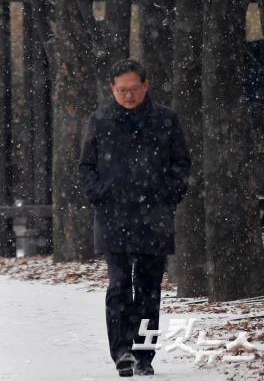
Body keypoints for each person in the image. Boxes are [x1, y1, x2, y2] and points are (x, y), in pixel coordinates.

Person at [79, 59, 191, 377]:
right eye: (121, 90)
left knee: (149, 289)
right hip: (113, 215)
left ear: (146, 86)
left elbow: (181, 163)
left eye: (133, 89)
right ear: (112, 89)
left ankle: (145, 355)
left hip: (154, 215)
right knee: (118, 285)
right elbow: (86, 166)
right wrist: (99, 192)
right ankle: (121, 352)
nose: (128, 96)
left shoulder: (166, 120)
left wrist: (168, 193)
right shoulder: (99, 120)